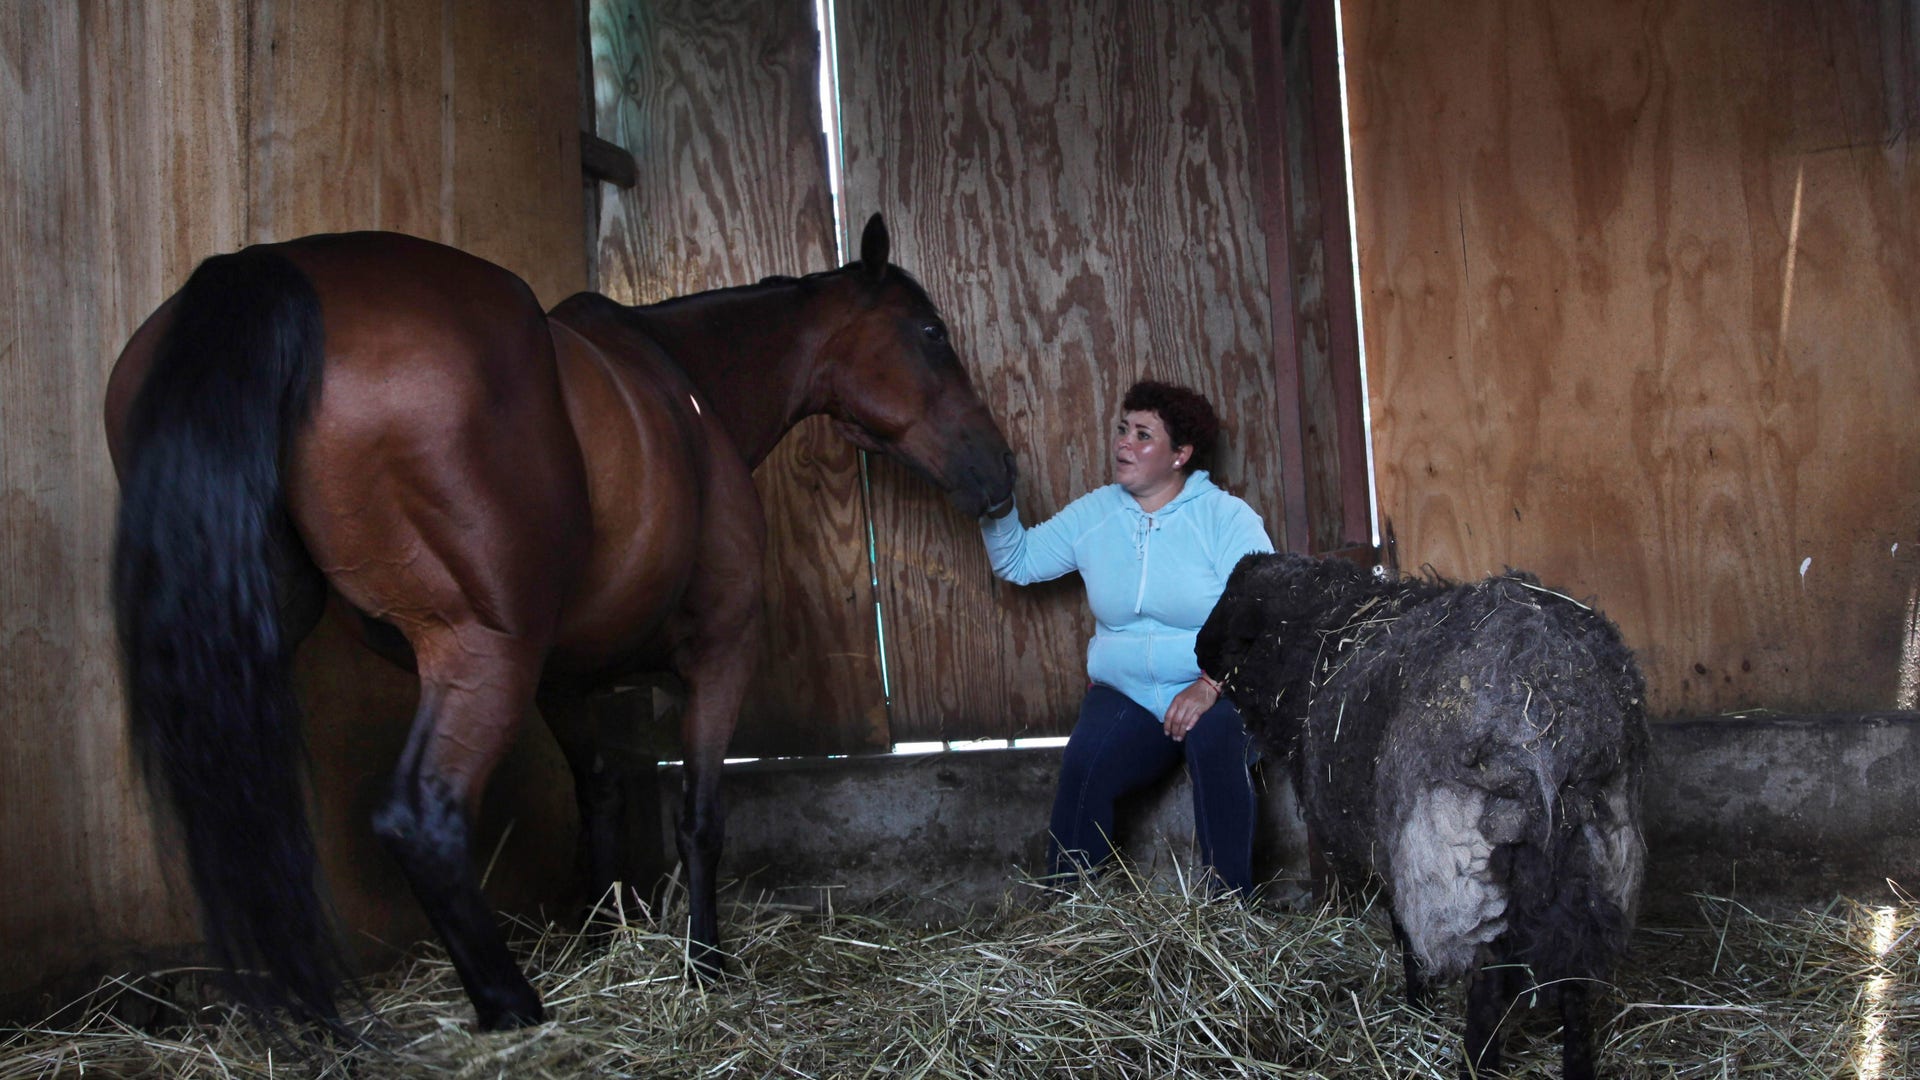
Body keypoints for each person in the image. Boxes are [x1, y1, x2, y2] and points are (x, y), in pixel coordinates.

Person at [981, 380, 1275, 895]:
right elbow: (1019, 561)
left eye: (1143, 435)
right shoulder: (1098, 512)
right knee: (1085, 760)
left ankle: (1232, 915)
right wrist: (996, 504)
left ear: (1180, 454)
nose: (1123, 444)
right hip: (1129, 694)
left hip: (1212, 689)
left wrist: (1210, 685)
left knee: (1218, 741)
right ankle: (1069, 917)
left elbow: (1262, 610)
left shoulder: (1225, 518)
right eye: (1123, 430)